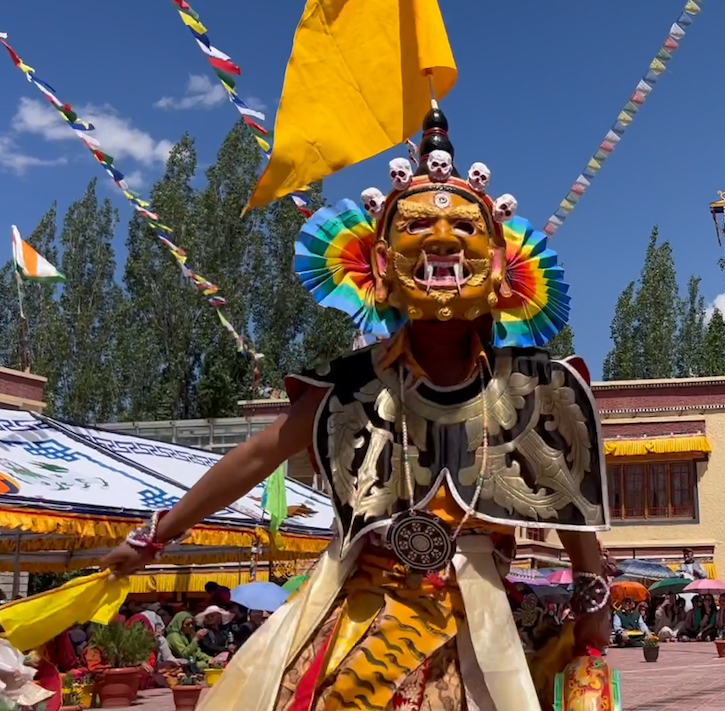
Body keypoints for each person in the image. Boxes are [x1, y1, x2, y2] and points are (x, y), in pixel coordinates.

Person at [99, 17, 613, 706]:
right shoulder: (350, 387)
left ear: (498, 266)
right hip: (355, 613)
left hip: (484, 629)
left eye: (463, 227)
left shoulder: (541, 389)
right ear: (377, 264)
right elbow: (256, 456)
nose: (440, 239)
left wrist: (592, 625)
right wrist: (152, 538)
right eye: (415, 228)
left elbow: (574, 526)